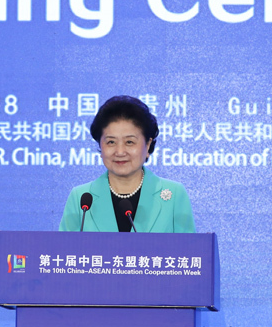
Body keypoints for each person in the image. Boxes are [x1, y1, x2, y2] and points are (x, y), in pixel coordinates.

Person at [59, 95, 195, 232]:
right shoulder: (81, 198)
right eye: (111, 142)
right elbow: (64, 245)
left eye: (129, 142)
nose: (120, 152)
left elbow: (188, 246)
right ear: (100, 145)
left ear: (148, 144)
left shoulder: (175, 194)